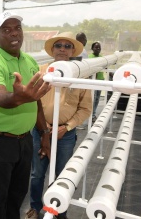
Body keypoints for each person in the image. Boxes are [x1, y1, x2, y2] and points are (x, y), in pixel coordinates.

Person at [0, 11, 50, 219]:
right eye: (6, 30)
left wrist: (44, 132)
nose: (13, 33)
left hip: (24, 140)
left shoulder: (29, 62)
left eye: (17, 28)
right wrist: (17, 97)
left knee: (18, 194)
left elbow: (36, 102)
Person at [25, 32, 92, 219]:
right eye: (59, 45)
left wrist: (67, 126)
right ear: (53, 50)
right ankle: (35, 208)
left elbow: (85, 108)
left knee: (62, 175)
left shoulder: (81, 77)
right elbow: (32, 101)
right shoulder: (40, 72)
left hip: (65, 134)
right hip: (40, 131)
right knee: (37, 173)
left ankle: (59, 211)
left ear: (72, 51)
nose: (62, 49)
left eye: (67, 46)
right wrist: (43, 126)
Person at [89, 41, 103, 122]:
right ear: (92, 48)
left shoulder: (101, 57)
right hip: (93, 81)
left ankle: (93, 113)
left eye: (99, 47)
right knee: (93, 98)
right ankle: (92, 115)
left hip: (100, 80)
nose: (98, 49)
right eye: (96, 47)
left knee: (97, 98)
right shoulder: (90, 57)